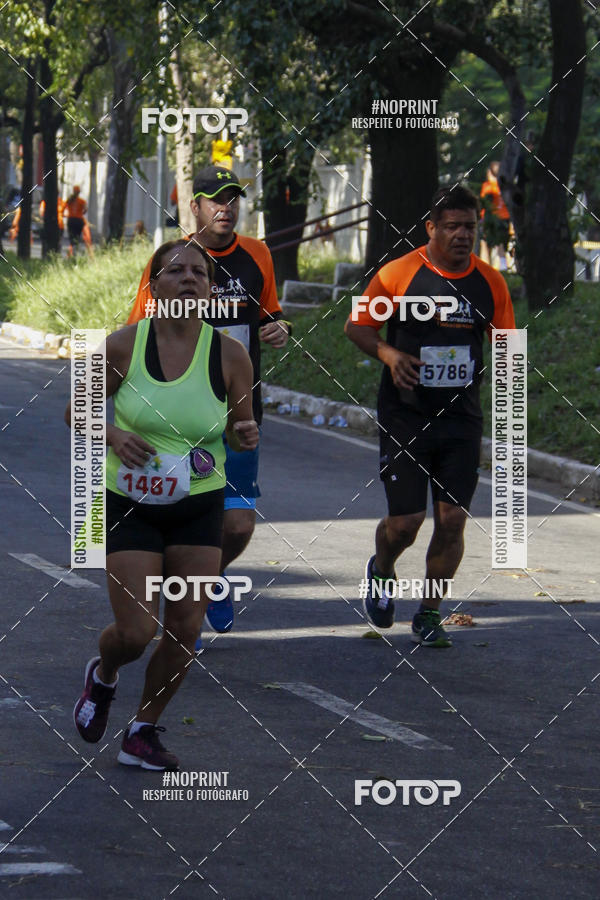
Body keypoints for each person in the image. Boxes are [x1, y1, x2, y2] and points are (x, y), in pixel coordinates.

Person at [69, 239, 258, 770]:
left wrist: (245, 436)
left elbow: (241, 428)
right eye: (176, 271)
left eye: (200, 272)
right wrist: (111, 435)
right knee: (135, 633)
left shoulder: (230, 355)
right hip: (130, 501)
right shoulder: (124, 345)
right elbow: (72, 411)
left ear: (212, 290)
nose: (190, 279)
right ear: (155, 288)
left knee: (186, 631)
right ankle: (103, 675)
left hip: (198, 503)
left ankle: (142, 731)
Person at [345, 185, 515, 648]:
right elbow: (357, 326)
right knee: (405, 524)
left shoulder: (490, 282)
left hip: (461, 419)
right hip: (405, 415)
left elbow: (507, 347)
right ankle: (381, 570)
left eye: (471, 227)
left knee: (454, 519)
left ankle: (429, 612)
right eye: (454, 227)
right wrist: (389, 354)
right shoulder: (400, 274)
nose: (463, 236)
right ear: (432, 229)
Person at [127, 165, 290, 638]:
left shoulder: (257, 255)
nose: (227, 207)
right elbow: (139, 330)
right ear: (194, 206)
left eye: (234, 198)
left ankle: (209, 576)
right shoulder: (171, 259)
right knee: (181, 517)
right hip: (175, 420)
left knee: (237, 526)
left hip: (237, 416)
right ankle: (186, 603)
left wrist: (281, 328)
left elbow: (272, 314)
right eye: (216, 199)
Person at [479, 162, 511, 270]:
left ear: (490, 173)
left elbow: (485, 203)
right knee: (502, 244)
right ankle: (504, 265)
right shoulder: (505, 186)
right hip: (505, 217)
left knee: (485, 243)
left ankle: (486, 268)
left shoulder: (488, 187)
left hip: (491, 219)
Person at [65, 185, 87, 256]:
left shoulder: (69, 200)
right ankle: (75, 252)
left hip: (71, 220)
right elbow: (85, 210)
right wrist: (81, 213)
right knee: (77, 237)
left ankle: (72, 252)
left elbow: (63, 207)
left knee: (72, 237)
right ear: (79, 192)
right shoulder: (82, 201)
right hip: (79, 221)